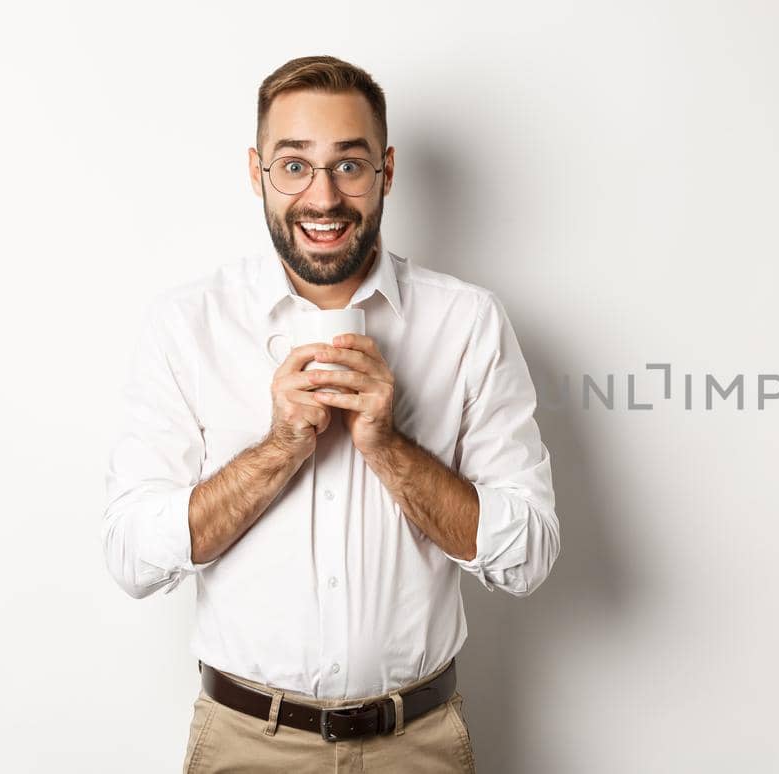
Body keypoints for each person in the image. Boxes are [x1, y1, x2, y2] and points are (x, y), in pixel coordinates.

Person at [100, 54, 561, 773]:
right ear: (257, 173)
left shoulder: (468, 323)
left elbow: (529, 555)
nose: (322, 197)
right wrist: (280, 445)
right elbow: (132, 556)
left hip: (421, 744)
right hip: (246, 744)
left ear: (387, 172)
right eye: (294, 166)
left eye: (349, 165)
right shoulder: (188, 325)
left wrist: (388, 446)